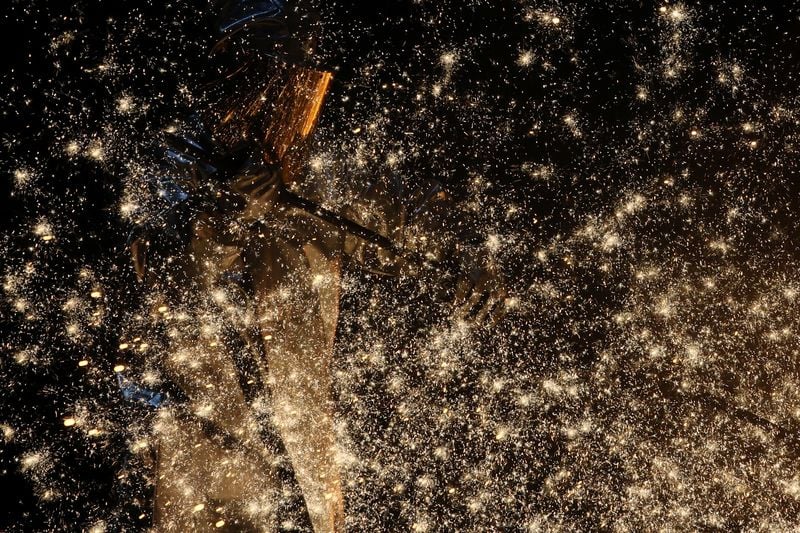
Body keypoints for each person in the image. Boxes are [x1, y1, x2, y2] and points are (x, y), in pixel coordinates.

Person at [128, 1, 506, 530]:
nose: (285, 106)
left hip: (301, 452)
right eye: (269, 84)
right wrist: (229, 215)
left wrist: (465, 258)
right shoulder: (173, 166)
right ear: (234, 77)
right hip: (203, 459)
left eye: (297, 89)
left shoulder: (312, 173)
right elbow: (165, 282)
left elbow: (397, 215)